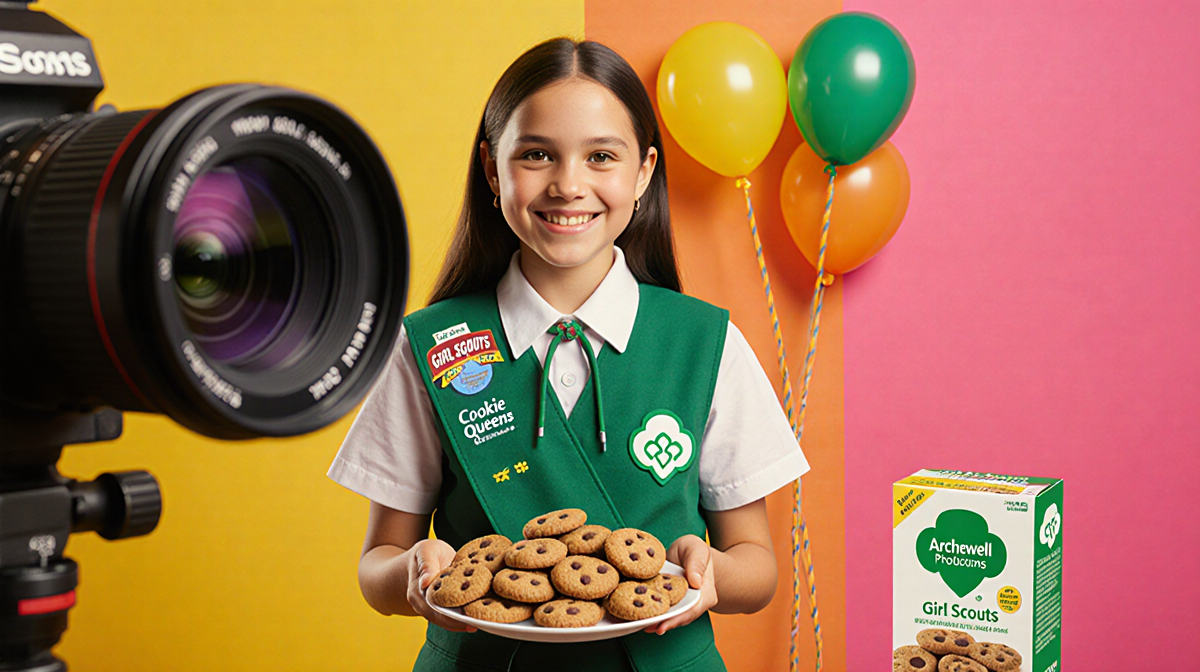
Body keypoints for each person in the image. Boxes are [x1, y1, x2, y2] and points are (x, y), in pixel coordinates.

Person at [328, 37, 809, 672]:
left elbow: (758, 568)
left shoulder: (705, 344)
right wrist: (412, 575)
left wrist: (711, 572)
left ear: (642, 173)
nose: (567, 184)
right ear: (493, 170)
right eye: (535, 155)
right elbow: (376, 565)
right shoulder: (431, 346)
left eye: (602, 156)